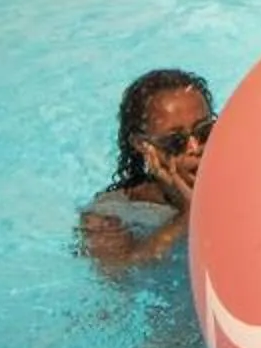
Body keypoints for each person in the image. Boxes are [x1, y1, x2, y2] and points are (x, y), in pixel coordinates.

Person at [81, 69, 216, 267]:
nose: (194, 148)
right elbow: (118, 276)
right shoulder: (112, 214)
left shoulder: (237, 180)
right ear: (143, 145)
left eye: (204, 131)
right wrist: (188, 216)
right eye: (175, 141)